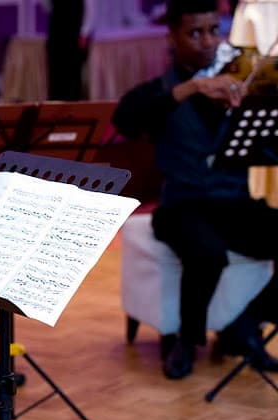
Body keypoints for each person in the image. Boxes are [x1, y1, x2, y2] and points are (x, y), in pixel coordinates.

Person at [112, 0, 278, 380]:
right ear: (172, 36)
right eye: (195, 33)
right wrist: (191, 88)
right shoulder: (160, 91)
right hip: (181, 208)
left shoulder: (242, 84)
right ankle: (188, 340)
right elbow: (126, 119)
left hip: (234, 203)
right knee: (207, 253)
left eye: (213, 31)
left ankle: (245, 321)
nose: (207, 41)